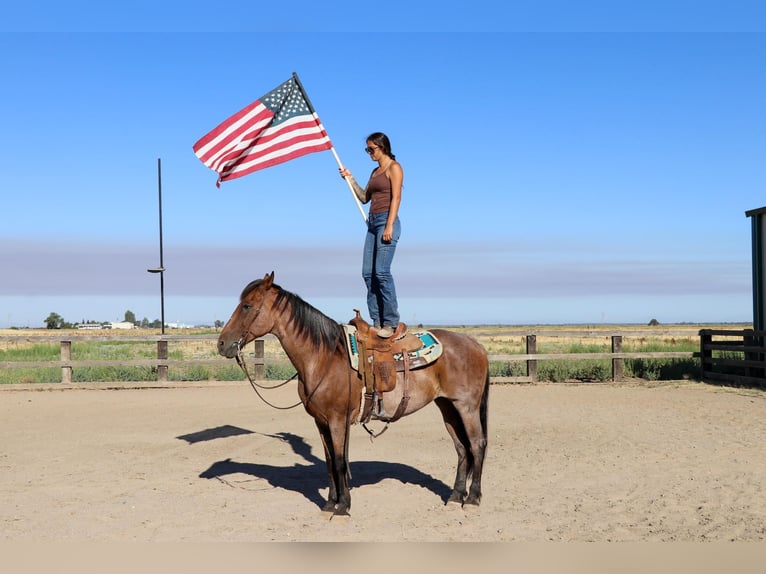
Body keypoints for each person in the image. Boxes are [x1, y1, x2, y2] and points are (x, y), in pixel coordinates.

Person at [340, 132, 403, 338]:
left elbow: (396, 198)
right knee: (368, 273)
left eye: (371, 149)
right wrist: (350, 179)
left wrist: (389, 226)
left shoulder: (394, 167)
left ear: (382, 146)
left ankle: (391, 322)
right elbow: (364, 197)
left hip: (387, 221)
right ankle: (376, 321)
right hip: (372, 223)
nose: (369, 153)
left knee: (382, 272)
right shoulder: (375, 172)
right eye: (367, 149)